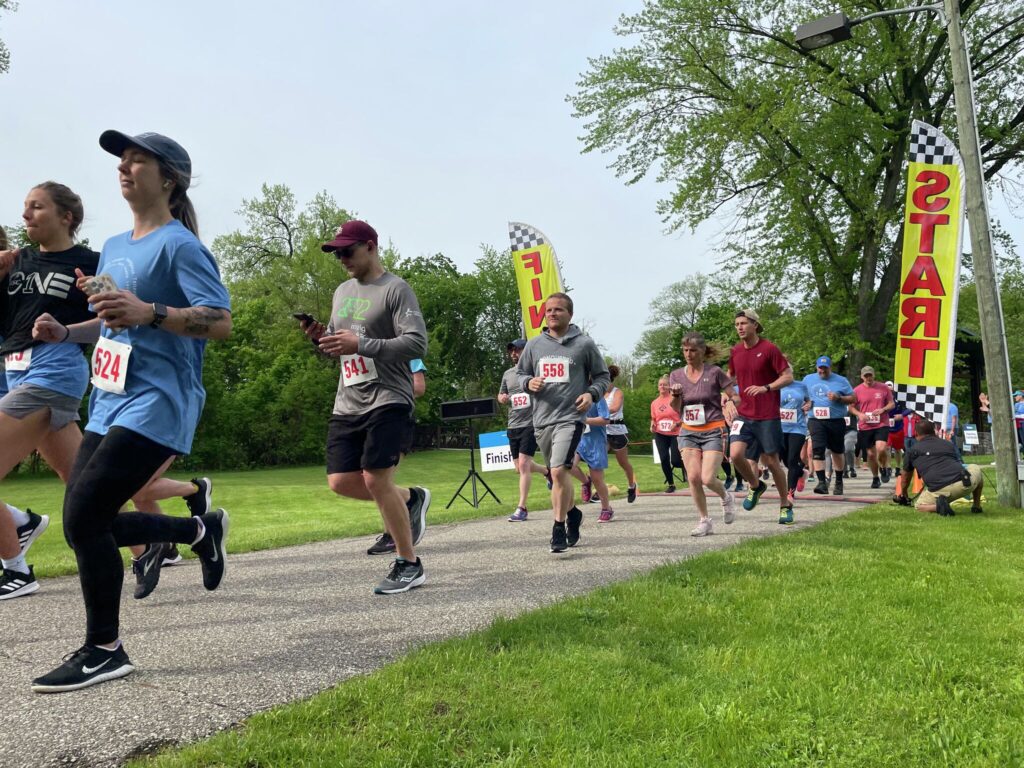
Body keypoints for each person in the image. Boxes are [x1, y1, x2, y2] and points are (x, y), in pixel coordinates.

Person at [29, 131, 232, 693]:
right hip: (109, 399)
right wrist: (66, 331)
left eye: (137, 160)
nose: (125, 167)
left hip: (160, 400)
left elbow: (219, 321)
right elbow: (115, 317)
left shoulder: (180, 245)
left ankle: (104, 649)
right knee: (82, 522)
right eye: (121, 160)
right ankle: (197, 529)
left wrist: (151, 311)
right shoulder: (116, 242)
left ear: (168, 178)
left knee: (83, 517)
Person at [301, 219, 430, 593]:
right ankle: (410, 499)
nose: (341, 258)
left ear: (371, 246)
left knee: (376, 477)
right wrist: (321, 339)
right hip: (349, 400)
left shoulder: (396, 289)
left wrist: (362, 344)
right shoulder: (341, 291)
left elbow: (416, 344)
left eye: (347, 251)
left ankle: (409, 563)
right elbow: (342, 346)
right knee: (340, 481)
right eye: (337, 253)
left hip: (389, 396)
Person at [0, 183, 98, 600]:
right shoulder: (15, 262)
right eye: (24, 207)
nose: (25, 215)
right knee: (86, 485)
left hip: (53, 369)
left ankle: (16, 567)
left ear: (66, 217)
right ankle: (164, 541)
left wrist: (67, 329)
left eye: (36, 207)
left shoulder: (93, 261)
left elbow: (114, 320)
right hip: (11, 369)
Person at [517, 292, 609, 553]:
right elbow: (521, 373)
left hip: (571, 417)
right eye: (548, 310)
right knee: (557, 476)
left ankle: (558, 528)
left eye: (558, 310)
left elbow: (602, 377)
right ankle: (573, 513)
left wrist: (591, 394)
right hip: (542, 419)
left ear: (569, 314)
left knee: (558, 471)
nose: (552, 314)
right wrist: (527, 382)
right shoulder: (534, 345)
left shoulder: (584, 344)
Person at [726, 309, 795, 523]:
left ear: (755, 325)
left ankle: (785, 504)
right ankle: (756, 486)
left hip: (767, 415)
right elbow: (728, 379)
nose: (739, 327)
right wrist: (727, 398)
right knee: (735, 455)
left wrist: (766, 387)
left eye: (744, 323)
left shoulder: (769, 349)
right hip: (744, 415)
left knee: (773, 462)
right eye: (737, 324)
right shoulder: (736, 351)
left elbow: (788, 376)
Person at [668, 331, 737, 536]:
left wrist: (730, 400)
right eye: (685, 350)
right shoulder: (676, 375)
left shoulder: (714, 372)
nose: (688, 354)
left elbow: (732, 393)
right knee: (694, 478)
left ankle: (726, 497)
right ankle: (704, 520)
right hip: (688, 430)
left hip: (713, 429)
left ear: (702, 351)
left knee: (708, 478)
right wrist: (676, 395)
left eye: (693, 350)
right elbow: (675, 407)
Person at [365, 357, 429, 554]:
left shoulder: (406, 350)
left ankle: (392, 534)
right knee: (369, 478)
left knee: (381, 479)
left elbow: (419, 387)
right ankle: (412, 497)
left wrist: (387, 391)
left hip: (397, 416)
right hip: (369, 418)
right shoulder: (367, 352)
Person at [497, 340, 549, 522]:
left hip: (531, 422)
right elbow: (501, 394)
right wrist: (502, 398)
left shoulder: (535, 370)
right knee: (519, 468)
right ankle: (546, 472)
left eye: (517, 349)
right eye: (511, 350)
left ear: (526, 351)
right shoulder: (507, 374)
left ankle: (522, 508)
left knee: (525, 465)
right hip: (513, 424)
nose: (513, 353)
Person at [894, 419, 983, 516]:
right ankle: (976, 506)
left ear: (916, 434)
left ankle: (938, 507)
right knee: (974, 467)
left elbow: (905, 478)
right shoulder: (948, 444)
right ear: (934, 431)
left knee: (919, 505)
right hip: (966, 482)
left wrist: (904, 493)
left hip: (942, 490)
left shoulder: (911, 451)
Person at [801, 355, 855, 496]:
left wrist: (839, 398)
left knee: (837, 451)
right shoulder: (808, 379)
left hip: (835, 420)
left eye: (825, 368)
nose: (822, 371)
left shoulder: (841, 381)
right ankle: (822, 483)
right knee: (817, 450)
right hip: (815, 420)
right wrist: (806, 403)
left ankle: (838, 482)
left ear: (830, 367)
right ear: (816, 367)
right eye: (820, 368)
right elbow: (802, 396)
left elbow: (854, 398)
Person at [570, 391, 615, 521]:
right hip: (578, 439)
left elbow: (605, 419)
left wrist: (584, 420)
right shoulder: (572, 392)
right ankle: (585, 481)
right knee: (568, 465)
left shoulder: (597, 397)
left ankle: (606, 508)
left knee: (597, 479)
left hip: (595, 441)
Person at [850, 366, 895, 488]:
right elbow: (851, 407)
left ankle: (885, 467)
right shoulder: (857, 390)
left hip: (881, 423)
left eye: (870, 375)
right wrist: (860, 414)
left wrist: (883, 409)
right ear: (862, 377)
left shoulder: (883, 387)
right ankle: (875, 477)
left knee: (881, 448)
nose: (868, 378)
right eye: (866, 376)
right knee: (870, 454)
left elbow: (892, 403)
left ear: (874, 375)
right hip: (866, 426)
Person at [604, 365, 637, 503]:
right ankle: (598, 490)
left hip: (617, 430)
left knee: (623, 463)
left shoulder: (618, 393)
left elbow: (615, 408)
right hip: (602, 430)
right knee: (596, 462)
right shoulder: (597, 393)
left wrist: (598, 411)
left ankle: (631, 485)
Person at [778, 378, 809, 504]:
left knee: (792, 459)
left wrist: (808, 405)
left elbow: (809, 401)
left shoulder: (801, 386)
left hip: (798, 428)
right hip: (780, 428)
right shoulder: (774, 386)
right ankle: (801, 473)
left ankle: (790, 493)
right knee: (785, 459)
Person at [650, 375, 682, 492]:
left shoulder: (675, 399)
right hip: (660, 434)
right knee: (664, 458)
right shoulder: (654, 403)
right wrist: (652, 424)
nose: (662, 386)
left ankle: (691, 468)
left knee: (676, 461)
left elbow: (684, 416)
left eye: (664, 384)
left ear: (669, 386)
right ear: (658, 387)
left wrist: (677, 423)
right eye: (660, 384)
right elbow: (654, 418)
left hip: (675, 433)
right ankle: (671, 484)